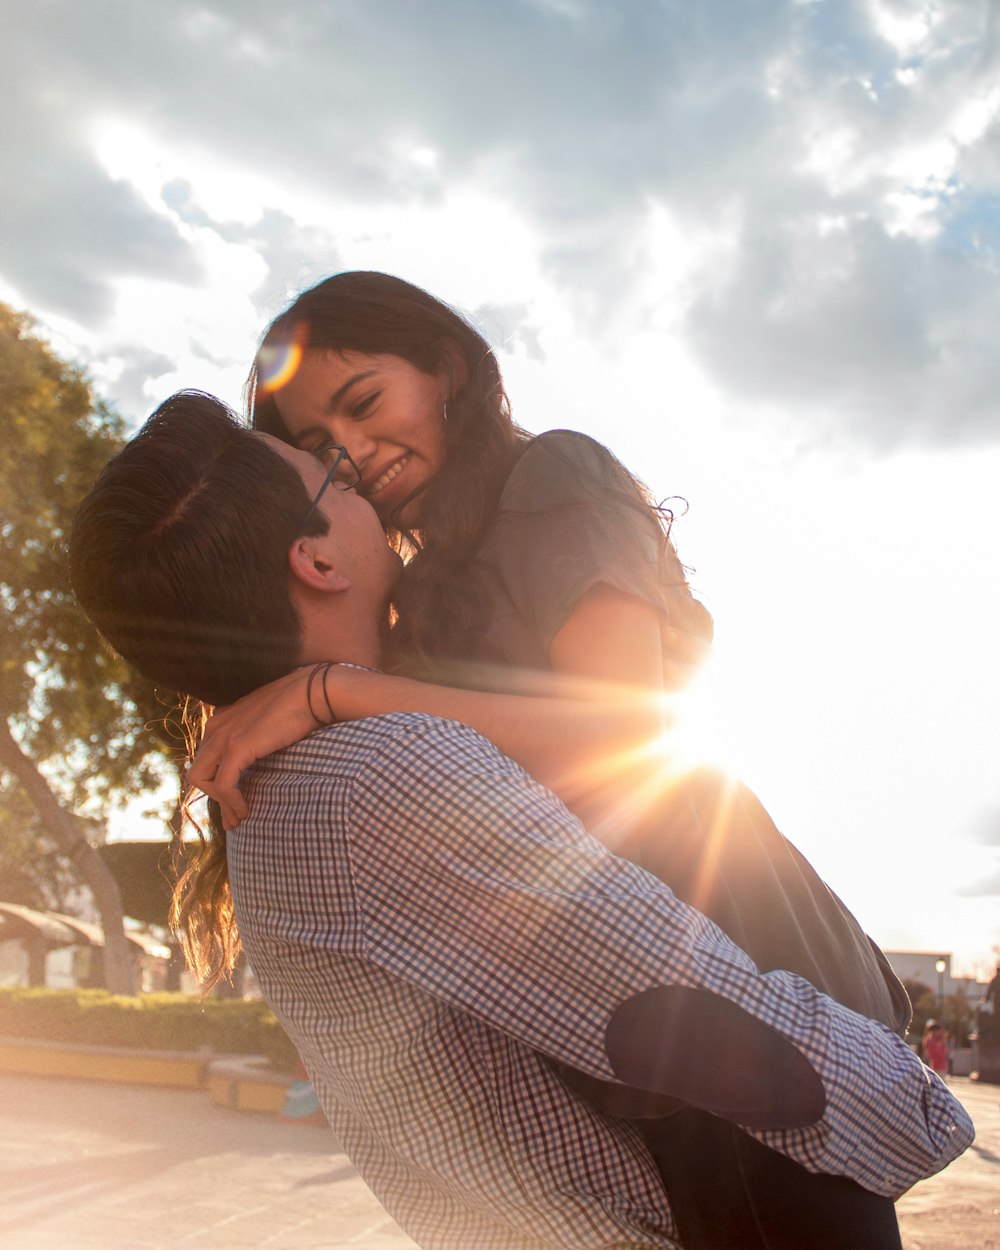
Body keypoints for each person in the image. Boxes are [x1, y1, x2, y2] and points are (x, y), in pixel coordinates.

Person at [69, 395, 972, 1249]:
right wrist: (911, 1100)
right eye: (332, 477)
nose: (360, 483)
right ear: (317, 561)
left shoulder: (285, 792)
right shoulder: (388, 774)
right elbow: (692, 1014)